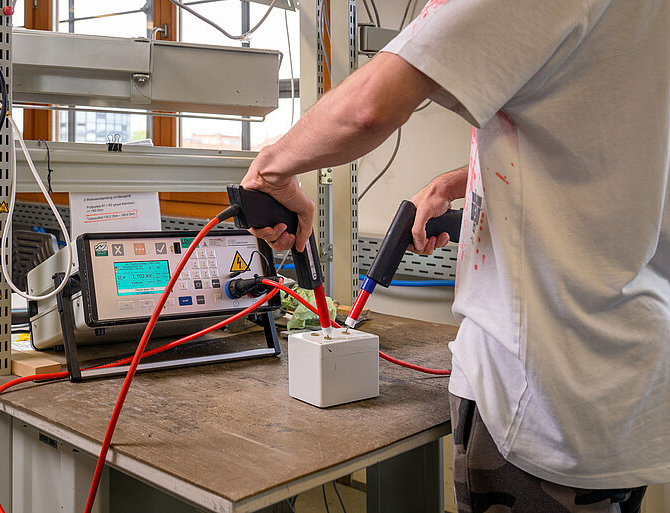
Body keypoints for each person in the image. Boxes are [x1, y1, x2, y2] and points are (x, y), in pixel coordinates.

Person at [241, 0, 670, 511]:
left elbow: (368, 107)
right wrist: (456, 181)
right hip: (629, 372)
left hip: (543, 396)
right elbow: (598, 140)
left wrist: (269, 170)